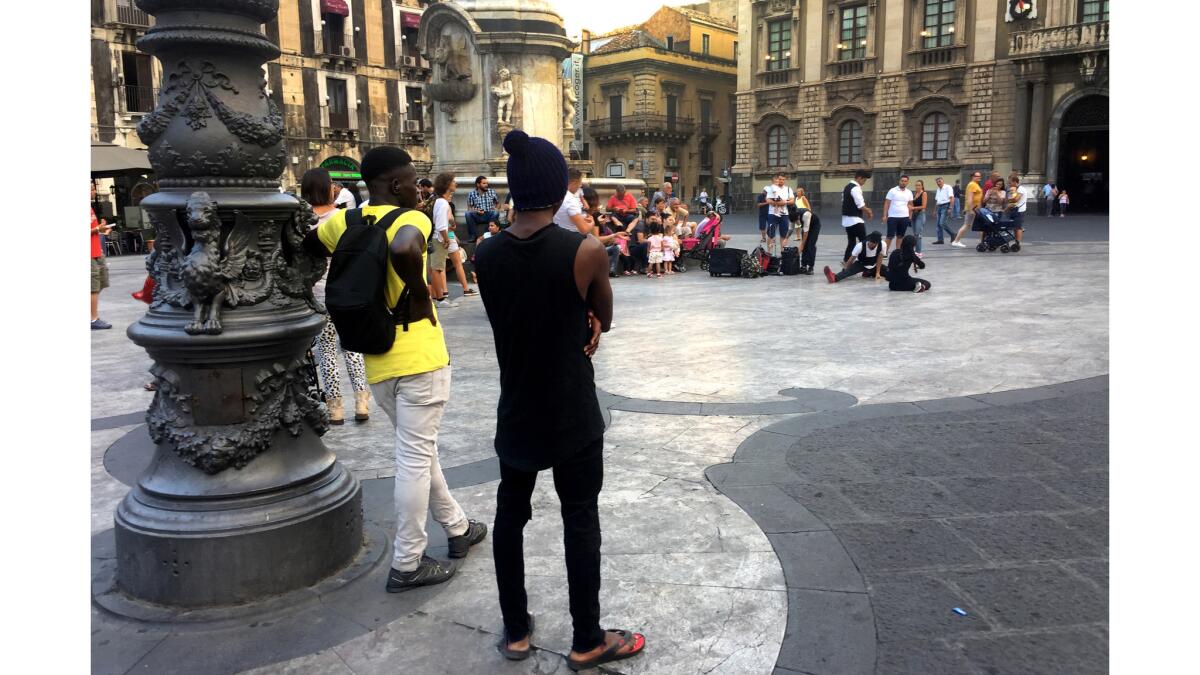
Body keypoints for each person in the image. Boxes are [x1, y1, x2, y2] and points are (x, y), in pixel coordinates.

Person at [474, 129, 645, 671]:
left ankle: (517, 631)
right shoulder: (586, 249)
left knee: (509, 516)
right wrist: (590, 318)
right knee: (580, 518)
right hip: (571, 407)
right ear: (555, 187)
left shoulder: (487, 254)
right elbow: (606, 317)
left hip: (518, 405)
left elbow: (509, 316)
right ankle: (587, 639)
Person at [303, 146, 487, 592]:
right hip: (419, 358)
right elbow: (407, 246)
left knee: (420, 452)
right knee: (413, 459)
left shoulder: (342, 221)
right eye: (413, 183)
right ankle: (407, 563)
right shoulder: (412, 219)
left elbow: (306, 248)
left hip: (377, 360)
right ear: (396, 184)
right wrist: (418, 292)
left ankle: (458, 528)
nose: (419, 190)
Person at [302, 168, 371, 424]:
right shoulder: (344, 218)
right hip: (345, 292)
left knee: (326, 350)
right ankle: (362, 402)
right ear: (327, 187)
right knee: (352, 347)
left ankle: (335, 408)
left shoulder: (302, 221)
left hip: (317, 295)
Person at [91, 183, 115, 330]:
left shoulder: (90, 208)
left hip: (96, 252)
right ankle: (93, 319)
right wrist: (96, 229)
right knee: (92, 287)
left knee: (101, 282)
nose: (94, 191)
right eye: (91, 189)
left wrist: (101, 231)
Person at [430, 172, 456, 305]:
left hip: (436, 237)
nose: (455, 183)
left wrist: (451, 223)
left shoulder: (440, 201)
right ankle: (440, 299)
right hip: (439, 239)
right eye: (453, 181)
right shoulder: (442, 203)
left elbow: (445, 220)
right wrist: (446, 239)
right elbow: (440, 225)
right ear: (447, 184)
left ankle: (437, 297)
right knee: (437, 269)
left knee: (436, 268)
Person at [842, 169, 873, 262]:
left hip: (847, 220)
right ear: (859, 178)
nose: (864, 182)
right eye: (864, 180)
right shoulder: (856, 188)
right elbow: (860, 205)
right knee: (864, 242)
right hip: (855, 220)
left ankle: (846, 261)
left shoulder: (847, 187)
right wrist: (869, 211)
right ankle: (866, 262)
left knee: (851, 242)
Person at [763, 173, 794, 261]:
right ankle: (769, 253)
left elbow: (792, 200)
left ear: (785, 180)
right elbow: (768, 200)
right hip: (772, 214)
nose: (781, 181)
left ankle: (782, 253)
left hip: (784, 214)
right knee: (771, 234)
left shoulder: (788, 189)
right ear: (777, 179)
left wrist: (785, 203)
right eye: (780, 179)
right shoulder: (772, 188)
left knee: (783, 234)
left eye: (783, 179)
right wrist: (777, 203)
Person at [553, 168, 593, 234]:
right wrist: (592, 222)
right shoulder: (571, 200)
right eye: (580, 182)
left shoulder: (556, 194)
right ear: (574, 183)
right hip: (570, 237)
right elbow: (584, 230)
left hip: (556, 234)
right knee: (597, 243)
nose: (580, 186)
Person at [950, 170, 983, 248]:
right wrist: (971, 209)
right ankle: (956, 241)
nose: (979, 177)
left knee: (970, 225)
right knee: (967, 225)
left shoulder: (975, 184)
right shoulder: (972, 185)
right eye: (977, 176)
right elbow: (970, 198)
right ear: (973, 177)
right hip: (973, 209)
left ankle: (956, 241)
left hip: (975, 209)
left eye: (980, 176)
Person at [882, 175, 913, 254]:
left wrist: (910, 217)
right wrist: (885, 215)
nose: (903, 182)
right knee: (890, 236)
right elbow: (887, 203)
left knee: (900, 236)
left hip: (904, 217)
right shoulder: (892, 190)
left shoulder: (909, 192)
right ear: (899, 181)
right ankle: (884, 253)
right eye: (902, 181)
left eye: (905, 181)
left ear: (907, 182)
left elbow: (910, 205)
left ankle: (898, 252)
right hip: (893, 217)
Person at [466, 176, 501, 242]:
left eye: (487, 183)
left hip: (489, 215)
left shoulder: (491, 192)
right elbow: (469, 208)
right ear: (478, 184)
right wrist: (476, 211)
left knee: (496, 212)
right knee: (467, 214)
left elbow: (498, 203)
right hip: (477, 215)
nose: (486, 185)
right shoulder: (472, 194)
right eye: (484, 183)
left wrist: (496, 208)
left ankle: (487, 234)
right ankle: (473, 236)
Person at [1007, 173, 1031, 246]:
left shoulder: (1021, 189)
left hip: (1019, 210)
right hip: (1014, 209)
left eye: (1010, 182)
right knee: (1015, 227)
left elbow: (1016, 199)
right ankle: (1016, 241)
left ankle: (1017, 243)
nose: (1009, 184)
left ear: (1015, 182)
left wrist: (1009, 200)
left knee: (1018, 227)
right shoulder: (1014, 189)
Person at [932, 177, 955, 244]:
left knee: (942, 223)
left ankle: (952, 234)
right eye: (937, 182)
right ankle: (940, 240)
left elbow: (952, 198)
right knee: (938, 224)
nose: (938, 183)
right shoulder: (938, 189)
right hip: (939, 206)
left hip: (946, 206)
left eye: (940, 181)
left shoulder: (948, 187)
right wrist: (934, 210)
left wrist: (950, 207)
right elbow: (937, 201)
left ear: (943, 181)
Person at [909, 179, 928, 255]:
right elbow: (911, 204)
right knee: (915, 234)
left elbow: (924, 206)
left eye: (919, 185)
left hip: (920, 215)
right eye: (916, 185)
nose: (917, 186)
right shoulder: (915, 194)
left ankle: (918, 252)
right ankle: (916, 250)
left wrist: (913, 208)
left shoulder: (924, 193)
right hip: (914, 215)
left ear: (922, 186)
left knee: (918, 234)